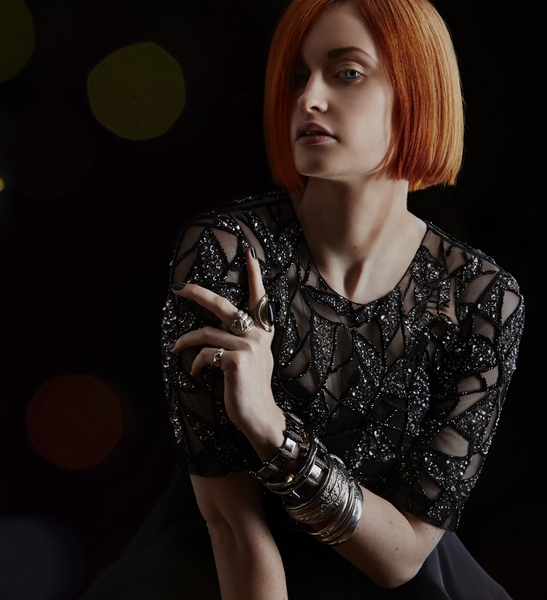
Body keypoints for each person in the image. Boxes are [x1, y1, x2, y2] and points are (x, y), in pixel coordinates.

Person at [159, 0, 524, 598]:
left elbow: (403, 556)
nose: (308, 99)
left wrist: (272, 431)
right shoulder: (226, 252)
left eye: (346, 73)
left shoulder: (483, 296)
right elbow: (231, 523)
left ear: (416, 92)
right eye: (297, 76)